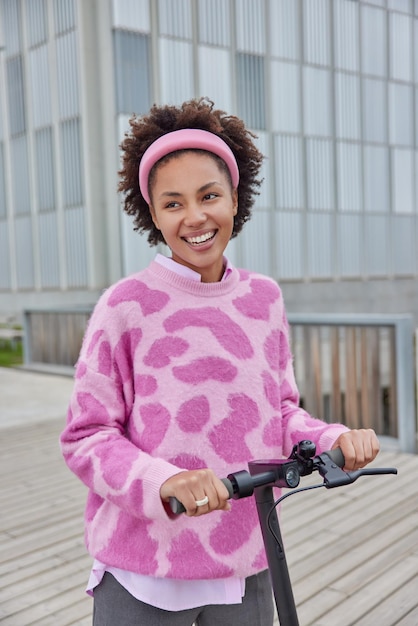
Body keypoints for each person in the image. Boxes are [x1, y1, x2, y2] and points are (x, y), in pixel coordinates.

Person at [60, 98, 380, 626]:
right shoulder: (124, 306)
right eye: (173, 203)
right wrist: (164, 480)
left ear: (235, 197)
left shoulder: (265, 298)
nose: (195, 217)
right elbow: (87, 436)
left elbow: (279, 413)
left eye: (209, 195)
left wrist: (331, 440)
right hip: (144, 570)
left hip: (246, 560)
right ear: (153, 214)